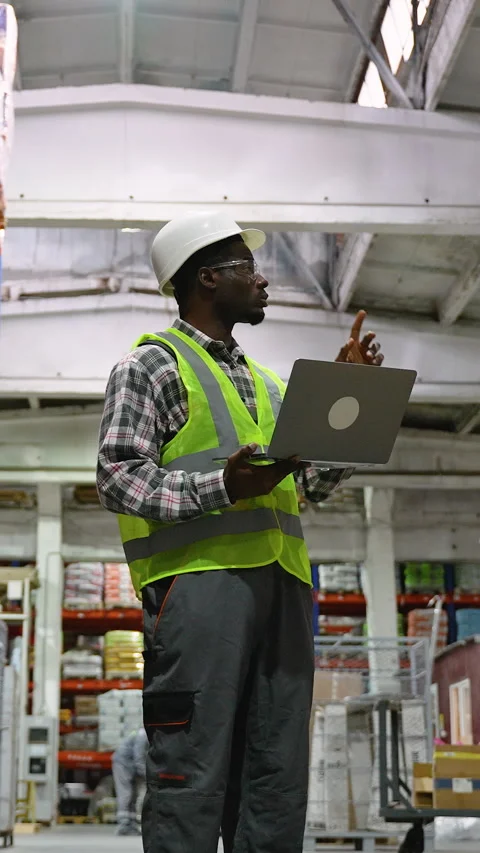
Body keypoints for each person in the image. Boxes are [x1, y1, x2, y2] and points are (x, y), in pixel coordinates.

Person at [97, 211, 384, 853]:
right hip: (199, 597)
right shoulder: (150, 368)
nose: (262, 281)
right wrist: (223, 486)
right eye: (248, 269)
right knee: (192, 772)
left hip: (282, 594)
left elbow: (306, 485)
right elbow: (118, 477)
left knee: (277, 776)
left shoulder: (272, 387)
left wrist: (345, 396)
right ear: (207, 279)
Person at [112, 726, 148, 836]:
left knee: (134, 795)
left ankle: (131, 824)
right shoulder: (143, 736)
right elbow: (139, 759)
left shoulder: (145, 735)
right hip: (122, 765)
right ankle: (123, 825)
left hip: (131, 766)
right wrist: (147, 776)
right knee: (125, 794)